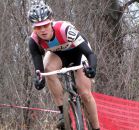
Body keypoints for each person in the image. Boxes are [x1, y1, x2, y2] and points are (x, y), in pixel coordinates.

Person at [27, 2, 100, 130]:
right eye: (38, 27)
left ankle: (96, 127)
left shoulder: (65, 30)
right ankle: (63, 114)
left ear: (51, 21)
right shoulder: (33, 41)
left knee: (85, 94)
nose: (43, 30)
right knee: (47, 69)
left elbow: (89, 53)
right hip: (58, 55)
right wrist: (39, 79)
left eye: (45, 25)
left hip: (78, 52)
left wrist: (92, 68)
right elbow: (38, 68)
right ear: (33, 28)